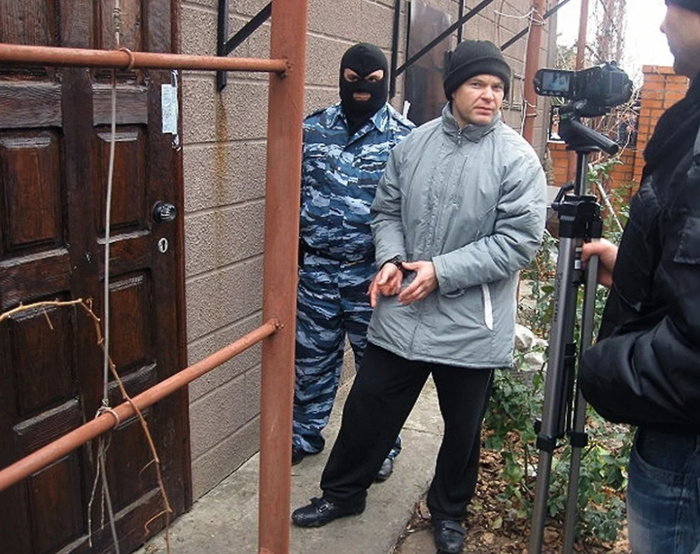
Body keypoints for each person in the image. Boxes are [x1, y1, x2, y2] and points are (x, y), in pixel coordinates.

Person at [292, 40, 547, 554]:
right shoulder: (413, 145)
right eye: (477, 84)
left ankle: (448, 513)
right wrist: (390, 258)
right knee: (368, 409)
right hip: (404, 310)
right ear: (453, 89)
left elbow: (519, 241)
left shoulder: (517, 159)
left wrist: (442, 271)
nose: (489, 96)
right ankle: (342, 493)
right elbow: (386, 211)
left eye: (498, 87)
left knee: (461, 431)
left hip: (470, 322)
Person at [578, 2, 700, 552]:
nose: (662, 23)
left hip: (685, 443)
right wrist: (633, 271)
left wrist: (606, 368)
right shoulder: (690, 120)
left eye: (675, 7)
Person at [293, 42, 414, 482]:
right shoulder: (313, 129)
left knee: (377, 368)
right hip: (318, 271)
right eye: (351, 80)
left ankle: (378, 448)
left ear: (386, 81)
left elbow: (413, 211)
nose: (361, 88)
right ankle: (303, 434)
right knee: (310, 361)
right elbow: (292, 192)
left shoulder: (406, 138)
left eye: (372, 81)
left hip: (374, 274)